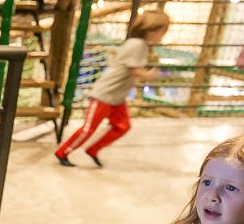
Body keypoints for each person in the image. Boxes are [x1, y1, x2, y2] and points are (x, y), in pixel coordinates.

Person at [56, 9, 170, 167]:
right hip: (105, 95)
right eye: (161, 32)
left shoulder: (140, 45)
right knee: (88, 129)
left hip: (117, 98)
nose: (161, 36)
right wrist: (148, 74)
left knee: (123, 126)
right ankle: (62, 152)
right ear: (151, 29)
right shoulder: (137, 44)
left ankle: (93, 149)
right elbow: (134, 70)